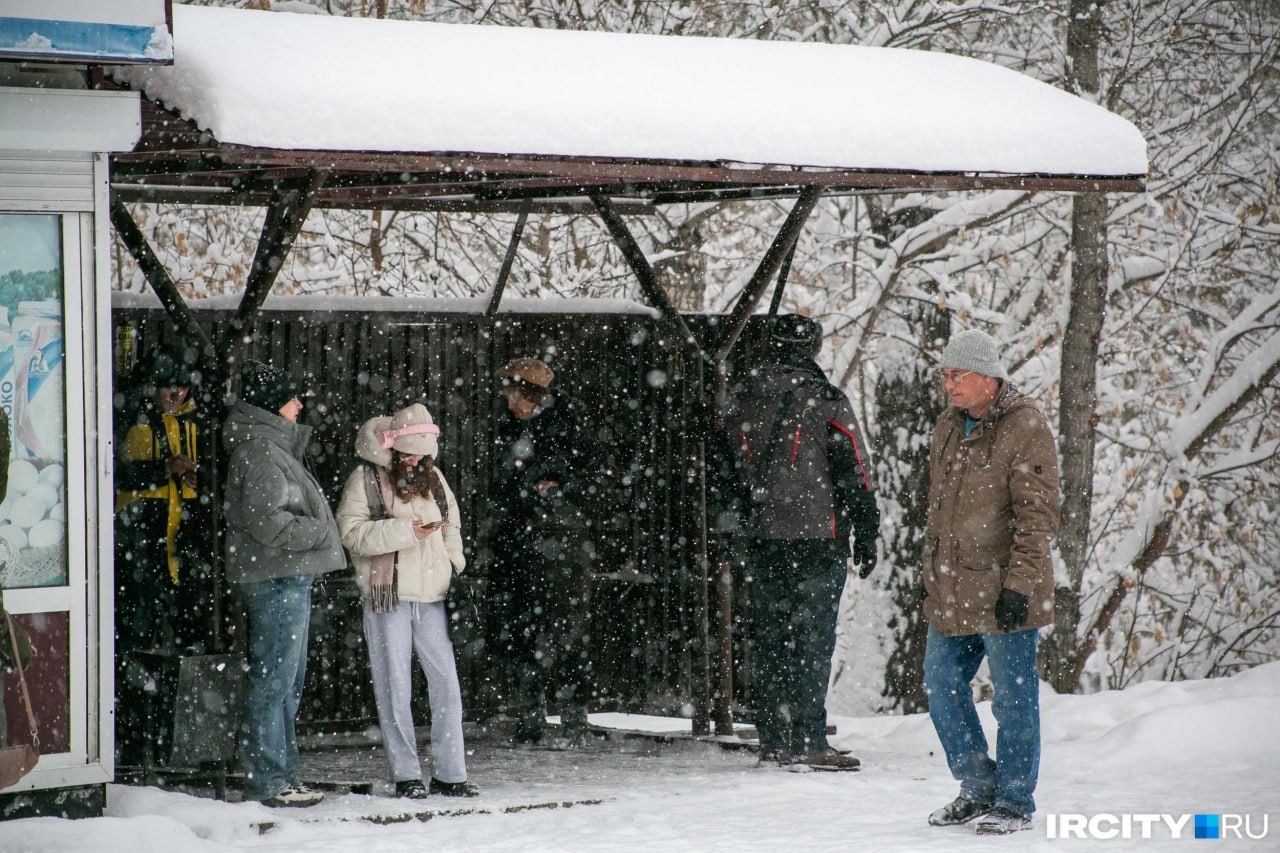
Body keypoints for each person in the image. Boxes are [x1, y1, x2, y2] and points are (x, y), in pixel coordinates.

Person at [722, 314, 879, 771]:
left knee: (770, 640)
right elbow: (856, 469)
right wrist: (866, 532)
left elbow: (723, 472)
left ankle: (773, 738)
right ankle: (809, 739)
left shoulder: (740, 400)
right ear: (812, 349)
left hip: (761, 539)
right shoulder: (826, 400)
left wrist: (738, 524)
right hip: (817, 539)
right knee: (811, 642)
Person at [921, 328, 1060, 835]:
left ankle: (1015, 801)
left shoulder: (1025, 427)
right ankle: (976, 786)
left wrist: (1020, 585)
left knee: (1013, 699)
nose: (950, 386)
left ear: (988, 378)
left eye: (959, 376)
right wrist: (931, 571)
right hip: (951, 588)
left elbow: (1037, 516)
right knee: (940, 685)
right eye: (946, 376)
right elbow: (939, 510)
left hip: (1005, 591)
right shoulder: (946, 426)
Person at [335, 403, 478, 798]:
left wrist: (454, 562)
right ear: (394, 450)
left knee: (446, 685)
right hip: (388, 596)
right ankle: (407, 775)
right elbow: (351, 533)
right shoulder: (364, 479)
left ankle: (452, 774)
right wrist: (405, 532)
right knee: (394, 686)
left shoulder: (434, 477)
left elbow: (452, 523)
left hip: (434, 595)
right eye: (410, 453)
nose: (417, 460)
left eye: (424, 454)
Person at [222, 360, 345, 808]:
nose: (299, 405)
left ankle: (280, 775)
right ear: (271, 405)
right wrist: (320, 531)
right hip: (277, 577)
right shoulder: (260, 451)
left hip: (283, 576)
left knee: (284, 681)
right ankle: (268, 779)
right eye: (291, 397)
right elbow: (264, 521)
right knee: (275, 680)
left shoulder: (271, 447)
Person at [486, 357, 602, 749]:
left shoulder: (569, 427)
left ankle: (573, 721)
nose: (509, 402)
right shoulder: (510, 429)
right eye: (508, 395)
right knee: (523, 631)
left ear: (533, 395)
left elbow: (594, 477)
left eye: (515, 395)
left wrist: (560, 491)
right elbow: (501, 483)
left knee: (566, 632)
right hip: (521, 541)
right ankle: (531, 718)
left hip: (561, 542)